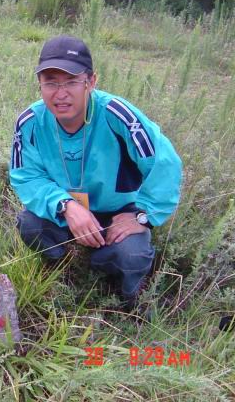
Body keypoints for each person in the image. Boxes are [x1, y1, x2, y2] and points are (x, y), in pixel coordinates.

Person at [9, 35, 183, 309]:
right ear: (39, 84)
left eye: (71, 82)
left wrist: (143, 215)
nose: (60, 93)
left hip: (118, 212)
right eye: (51, 82)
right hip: (68, 209)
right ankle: (63, 265)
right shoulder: (30, 122)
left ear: (91, 82)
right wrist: (65, 205)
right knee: (30, 225)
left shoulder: (117, 114)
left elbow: (165, 163)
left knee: (131, 256)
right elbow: (26, 176)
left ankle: (128, 299)